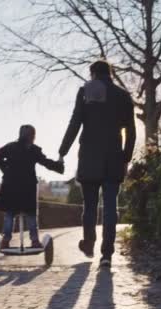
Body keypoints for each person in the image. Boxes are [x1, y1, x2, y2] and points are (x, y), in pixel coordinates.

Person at [58, 60, 136, 267]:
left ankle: (89, 243)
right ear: (110, 73)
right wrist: (126, 157)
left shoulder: (85, 91)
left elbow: (75, 122)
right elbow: (131, 130)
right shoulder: (123, 95)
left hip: (89, 157)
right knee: (111, 206)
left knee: (90, 206)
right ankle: (107, 255)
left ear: (93, 73)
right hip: (114, 158)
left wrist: (62, 151)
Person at [0, 125, 64, 249]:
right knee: (31, 214)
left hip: (10, 185)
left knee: (9, 214)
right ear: (32, 136)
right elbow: (46, 163)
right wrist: (59, 166)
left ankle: (6, 241)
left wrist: (5, 169)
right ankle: (34, 241)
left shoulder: (9, 147)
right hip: (27, 187)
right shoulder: (33, 149)